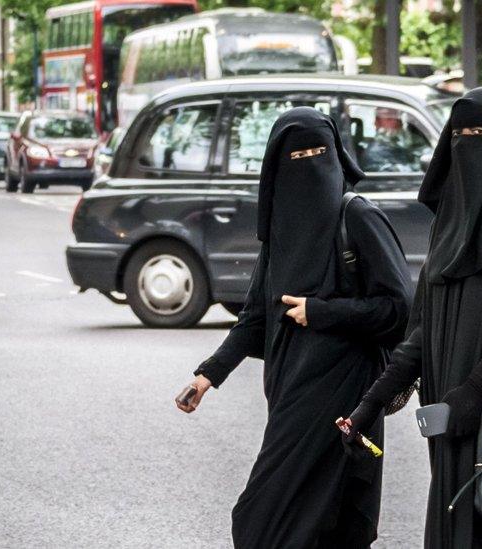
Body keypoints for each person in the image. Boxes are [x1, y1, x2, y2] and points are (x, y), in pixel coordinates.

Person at [176, 107, 412, 548]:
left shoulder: (358, 217)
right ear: (276, 166)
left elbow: (400, 309)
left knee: (263, 518)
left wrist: (322, 312)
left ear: (336, 155)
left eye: (318, 151)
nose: (309, 162)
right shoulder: (279, 230)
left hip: (346, 392)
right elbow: (255, 316)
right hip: (289, 388)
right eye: (296, 154)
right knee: (315, 523)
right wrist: (209, 374)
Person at [345, 87, 482, 548]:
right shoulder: (454, 210)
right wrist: (371, 404)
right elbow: (426, 323)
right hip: (451, 410)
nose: (471, 145)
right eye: (462, 134)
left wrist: (474, 391)